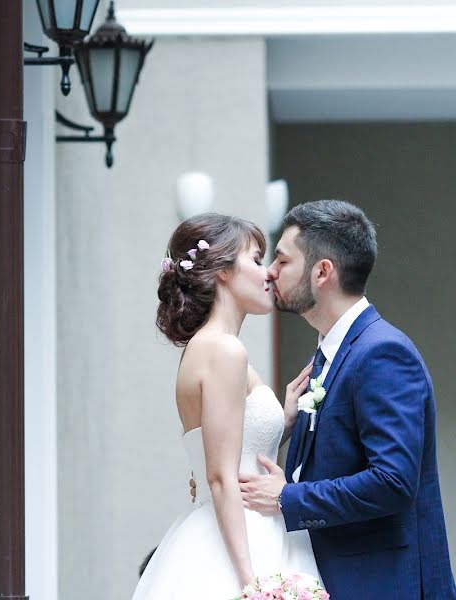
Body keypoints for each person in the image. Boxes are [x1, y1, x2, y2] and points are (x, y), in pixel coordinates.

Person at [239, 200, 456, 600]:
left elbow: (393, 481)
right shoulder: (329, 354)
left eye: (283, 260)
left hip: (381, 584)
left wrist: (287, 497)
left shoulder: (382, 353)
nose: (270, 271)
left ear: (322, 272)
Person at [131, 213, 322, 599]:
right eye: (255, 259)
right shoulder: (223, 350)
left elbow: (226, 450)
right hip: (240, 538)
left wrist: (281, 422)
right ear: (221, 271)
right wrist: (252, 583)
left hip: (231, 526)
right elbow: (220, 477)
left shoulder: (206, 348)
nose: (268, 273)